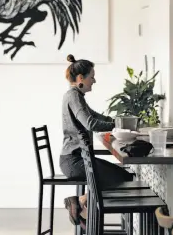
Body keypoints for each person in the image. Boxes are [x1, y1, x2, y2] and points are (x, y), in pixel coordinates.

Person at [60, 54, 133, 226]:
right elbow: (91, 123)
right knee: (123, 178)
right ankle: (80, 203)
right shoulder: (73, 96)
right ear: (80, 78)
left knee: (123, 176)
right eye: (92, 77)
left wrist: (117, 122)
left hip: (76, 159)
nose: (94, 80)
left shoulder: (76, 96)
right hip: (74, 161)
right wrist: (116, 126)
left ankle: (81, 206)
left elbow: (94, 115)